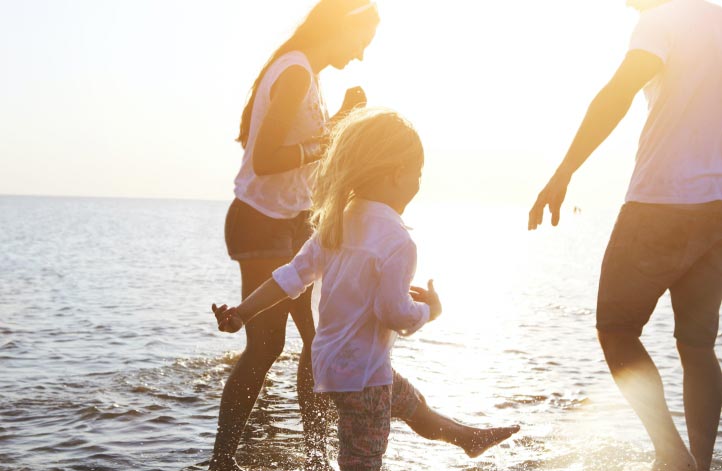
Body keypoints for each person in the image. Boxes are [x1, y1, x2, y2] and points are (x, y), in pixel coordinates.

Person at [212, 108, 520, 471]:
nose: (419, 184)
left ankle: (466, 439)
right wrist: (429, 312)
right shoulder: (397, 241)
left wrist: (243, 312)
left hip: (332, 365)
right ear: (395, 175)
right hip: (363, 376)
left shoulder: (335, 223)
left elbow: (289, 278)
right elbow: (394, 314)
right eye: (417, 174)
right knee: (362, 460)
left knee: (411, 405)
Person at [528, 0, 722, 469]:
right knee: (697, 346)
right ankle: (699, 461)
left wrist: (563, 171)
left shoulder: (659, 22)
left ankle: (672, 455)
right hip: (717, 210)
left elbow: (618, 92)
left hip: (662, 201)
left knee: (616, 329)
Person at [211, 2, 380, 470]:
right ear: (342, 27)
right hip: (260, 219)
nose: (362, 55)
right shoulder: (295, 73)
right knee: (267, 346)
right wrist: (330, 138)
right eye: (362, 41)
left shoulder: (307, 73)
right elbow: (265, 159)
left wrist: (340, 119)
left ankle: (317, 458)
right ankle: (221, 462)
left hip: (293, 219)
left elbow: (297, 149)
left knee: (317, 338)